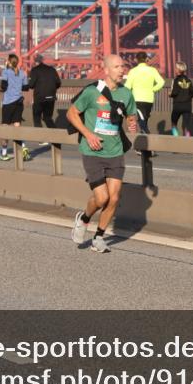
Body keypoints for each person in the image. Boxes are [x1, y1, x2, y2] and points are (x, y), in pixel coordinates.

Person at [67, 54, 138, 253]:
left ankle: (98, 238)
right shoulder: (92, 92)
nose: (121, 70)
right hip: (93, 151)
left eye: (122, 66)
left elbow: (131, 115)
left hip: (115, 151)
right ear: (106, 70)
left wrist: (132, 123)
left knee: (113, 198)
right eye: (116, 67)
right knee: (101, 198)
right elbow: (71, 113)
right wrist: (88, 134)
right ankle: (84, 219)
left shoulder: (126, 94)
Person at [124, 51, 164, 135]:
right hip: (149, 99)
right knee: (145, 119)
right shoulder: (152, 70)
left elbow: (127, 87)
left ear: (136, 60)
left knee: (141, 120)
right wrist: (153, 89)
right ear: (146, 59)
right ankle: (145, 137)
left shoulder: (133, 71)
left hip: (137, 99)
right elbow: (161, 82)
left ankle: (146, 135)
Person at [0, 54, 30, 161]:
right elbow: (26, 88)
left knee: (5, 127)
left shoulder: (6, 72)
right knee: (17, 125)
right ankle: (24, 147)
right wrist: (17, 86)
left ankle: (4, 153)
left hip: (8, 103)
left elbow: (3, 86)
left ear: (9, 62)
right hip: (19, 102)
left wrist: (1, 90)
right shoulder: (23, 73)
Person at [28, 53, 62, 143]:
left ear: (35, 62)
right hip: (51, 98)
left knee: (37, 118)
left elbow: (31, 85)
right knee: (47, 118)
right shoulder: (52, 69)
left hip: (39, 98)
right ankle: (57, 137)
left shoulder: (35, 70)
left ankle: (41, 140)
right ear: (42, 60)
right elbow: (58, 83)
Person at [169, 61, 193, 136]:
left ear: (178, 70)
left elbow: (174, 93)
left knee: (174, 123)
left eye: (175, 68)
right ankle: (187, 139)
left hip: (177, 105)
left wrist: (170, 94)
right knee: (186, 125)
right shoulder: (189, 81)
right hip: (187, 106)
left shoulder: (175, 80)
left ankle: (176, 138)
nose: (175, 69)